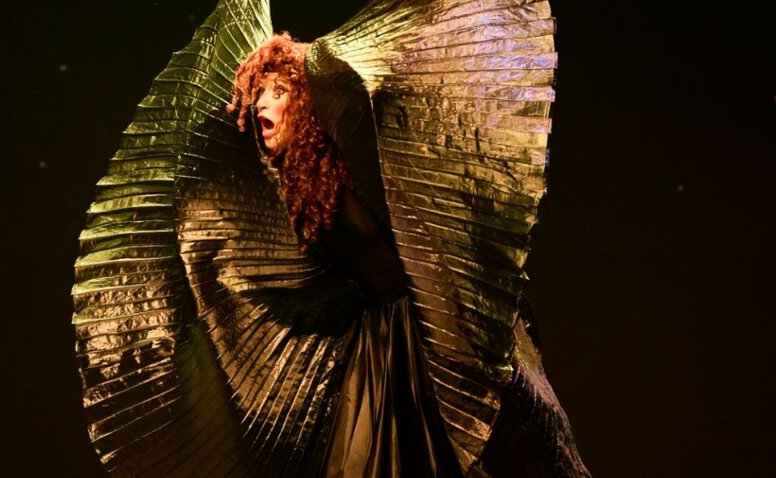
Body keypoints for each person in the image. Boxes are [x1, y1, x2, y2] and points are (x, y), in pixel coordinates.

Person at [227, 32, 591, 477]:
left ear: (306, 104)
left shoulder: (354, 159)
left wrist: (321, 65)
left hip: (431, 323)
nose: (262, 104)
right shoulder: (301, 186)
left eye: (278, 92)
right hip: (380, 341)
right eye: (259, 94)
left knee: (467, 453)